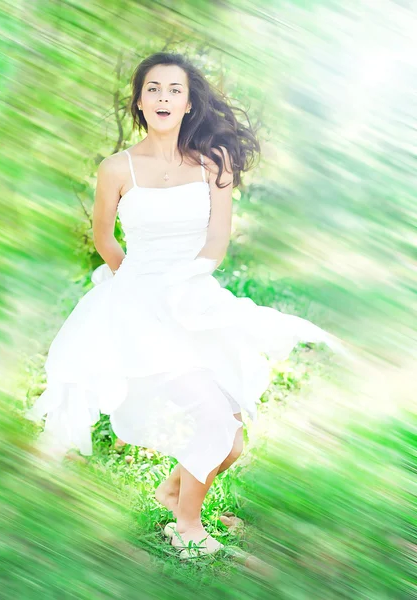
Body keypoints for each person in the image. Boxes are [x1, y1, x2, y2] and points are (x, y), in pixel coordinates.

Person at [25, 51, 347, 559]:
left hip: (193, 297)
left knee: (234, 440)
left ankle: (173, 491)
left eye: (174, 90)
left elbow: (216, 242)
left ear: (189, 102)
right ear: (139, 101)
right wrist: (135, 288)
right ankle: (187, 528)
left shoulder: (213, 164)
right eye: (153, 89)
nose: (163, 98)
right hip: (137, 309)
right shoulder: (117, 168)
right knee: (216, 424)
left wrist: (181, 288)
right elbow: (105, 241)